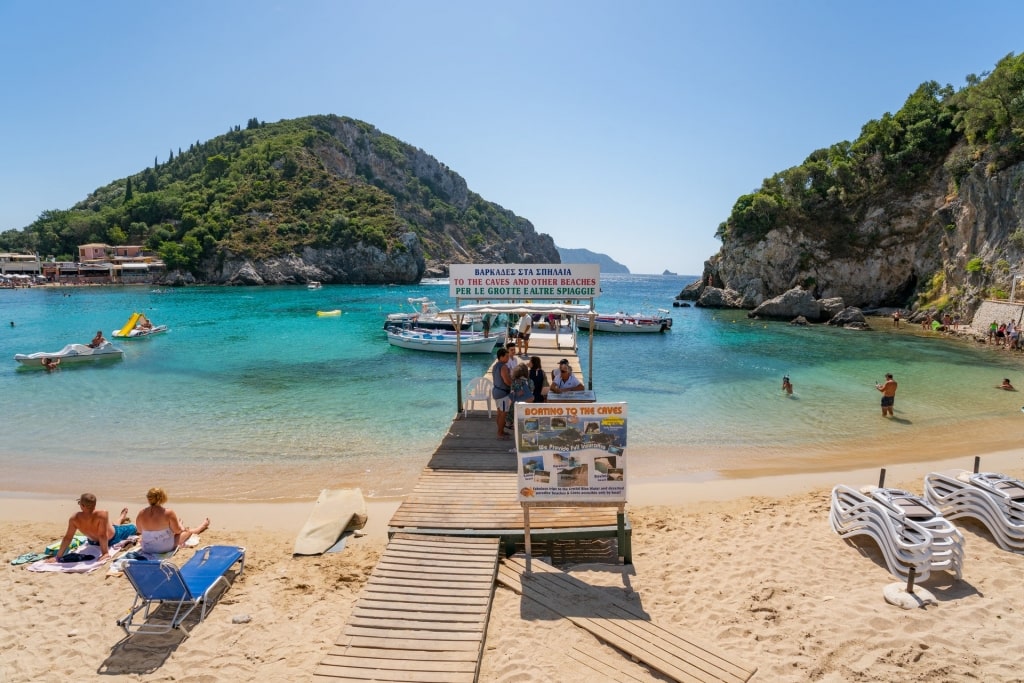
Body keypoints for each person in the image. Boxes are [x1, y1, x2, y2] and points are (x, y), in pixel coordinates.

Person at [46, 493, 136, 563]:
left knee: (112, 525)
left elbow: (68, 538)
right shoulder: (102, 514)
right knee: (133, 527)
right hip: (112, 538)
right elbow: (102, 535)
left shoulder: (74, 518)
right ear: (94, 504)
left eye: (79, 503)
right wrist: (105, 553)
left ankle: (121, 517)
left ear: (83, 505)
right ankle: (122, 517)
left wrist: (58, 557)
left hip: (92, 541)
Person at [135, 487, 210, 553]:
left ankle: (182, 524)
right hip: (165, 547)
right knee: (188, 531)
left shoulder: (141, 513)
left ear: (148, 499)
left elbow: (139, 530)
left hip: (147, 548)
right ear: (163, 498)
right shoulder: (168, 513)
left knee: (167, 531)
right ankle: (202, 526)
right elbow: (177, 531)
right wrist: (180, 526)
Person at [491, 347, 513, 439]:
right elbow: (506, 381)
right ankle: (500, 433)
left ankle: (501, 431)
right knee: (503, 414)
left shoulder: (495, 366)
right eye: (506, 356)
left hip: (496, 391)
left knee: (500, 413)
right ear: (501, 357)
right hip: (503, 393)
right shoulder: (503, 367)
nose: (508, 358)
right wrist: (513, 384)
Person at [505, 365, 535, 430]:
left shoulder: (515, 382)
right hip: (528, 402)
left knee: (512, 408)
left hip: (518, 403)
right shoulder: (531, 381)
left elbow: (512, 395)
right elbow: (532, 392)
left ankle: (512, 424)